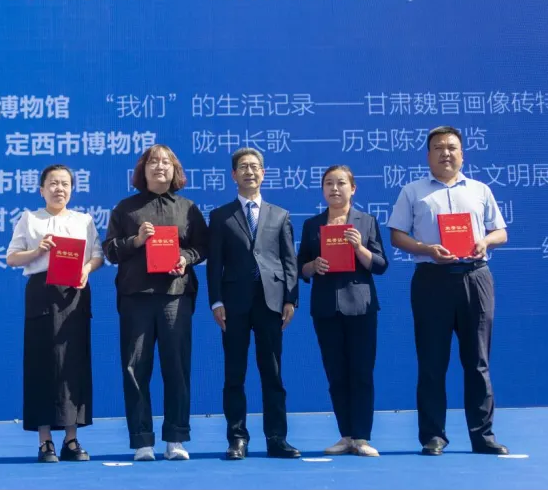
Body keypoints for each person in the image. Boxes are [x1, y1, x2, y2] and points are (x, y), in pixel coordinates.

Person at [387, 126, 510, 456]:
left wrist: (485, 241)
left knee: (478, 361)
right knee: (431, 361)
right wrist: (426, 248)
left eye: (452, 147)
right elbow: (397, 235)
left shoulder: (480, 190)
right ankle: (433, 436)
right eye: (438, 148)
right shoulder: (413, 191)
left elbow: (500, 232)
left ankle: (482, 436)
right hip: (432, 280)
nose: (446, 153)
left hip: (475, 278)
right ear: (428, 156)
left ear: (462, 154)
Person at [102, 144, 208, 461]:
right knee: (135, 367)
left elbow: (203, 247)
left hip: (175, 296)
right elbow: (110, 250)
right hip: (136, 297)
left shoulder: (188, 208)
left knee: (177, 367)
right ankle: (142, 440)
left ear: (175, 170)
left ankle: (176, 438)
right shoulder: (126, 208)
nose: (159, 166)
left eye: (165, 162)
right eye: (153, 161)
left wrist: (185, 258)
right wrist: (136, 240)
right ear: (143, 169)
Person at [206, 147, 300, 460]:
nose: (249, 171)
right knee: (234, 374)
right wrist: (216, 301)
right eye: (243, 167)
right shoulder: (221, 216)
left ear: (263, 173)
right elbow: (214, 264)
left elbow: (289, 260)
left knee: (272, 373)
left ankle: (277, 438)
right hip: (233, 304)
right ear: (233, 175)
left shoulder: (280, 214)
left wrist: (291, 298)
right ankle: (237, 438)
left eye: (255, 166)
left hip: (271, 303)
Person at [6, 164, 104, 463]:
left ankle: (71, 439)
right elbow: (12, 258)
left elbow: (97, 255)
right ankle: (45, 440)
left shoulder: (84, 220)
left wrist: (86, 269)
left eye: (64, 184)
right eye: (53, 183)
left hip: (74, 293)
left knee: (73, 365)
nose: (59, 189)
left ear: (72, 189)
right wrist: (37, 251)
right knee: (42, 365)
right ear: (42, 189)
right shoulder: (30, 219)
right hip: (42, 293)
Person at [297, 165, 388, 457]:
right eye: (328, 184)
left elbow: (381, 265)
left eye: (340, 183)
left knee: (361, 372)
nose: (334, 189)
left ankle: (362, 437)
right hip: (326, 307)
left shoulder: (367, 221)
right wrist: (313, 266)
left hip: (361, 306)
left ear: (353, 188)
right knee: (336, 374)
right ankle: (346, 435)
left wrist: (360, 248)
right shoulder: (312, 225)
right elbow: (300, 267)